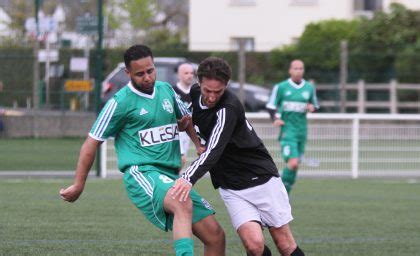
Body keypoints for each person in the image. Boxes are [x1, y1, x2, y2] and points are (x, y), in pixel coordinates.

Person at [59, 45, 225, 256]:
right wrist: (79, 184)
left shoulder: (166, 90)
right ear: (128, 73)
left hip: (172, 176)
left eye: (150, 70)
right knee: (181, 201)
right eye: (140, 73)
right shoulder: (120, 103)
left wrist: (197, 143)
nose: (147, 77)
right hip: (142, 172)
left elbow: (186, 119)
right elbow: (91, 142)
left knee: (216, 236)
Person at [171, 57, 305, 256]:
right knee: (254, 245)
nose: (211, 97)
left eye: (218, 91)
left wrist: (187, 178)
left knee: (284, 244)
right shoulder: (195, 92)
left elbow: (214, 150)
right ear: (199, 83)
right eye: (207, 90)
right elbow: (190, 118)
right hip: (230, 185)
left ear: (226, 86)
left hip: (260, 178)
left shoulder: (229, 108)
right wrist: (196, 142)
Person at [266, 59, 319, 194]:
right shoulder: (281, 87)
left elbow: (315, 106)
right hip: (288, 130)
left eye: (301, 68)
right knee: (293, 162)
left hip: (302, 131)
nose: (298, 71)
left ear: (303, 71)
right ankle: (280, 193)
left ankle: (284, 194)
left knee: (295, 166)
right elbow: (271, 106)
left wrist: (312, 107)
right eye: (295, 68)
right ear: (290, 70)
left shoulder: (309, 88)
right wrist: (276, 119)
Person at [173, 63, 195, 168]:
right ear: (179, 75)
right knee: (178, 161)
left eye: (191, 73)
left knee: (182, 163)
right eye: (186, 73)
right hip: (177, 131)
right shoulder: (172, 91)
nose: (190, 75)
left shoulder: (196, 91)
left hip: (191, 130)